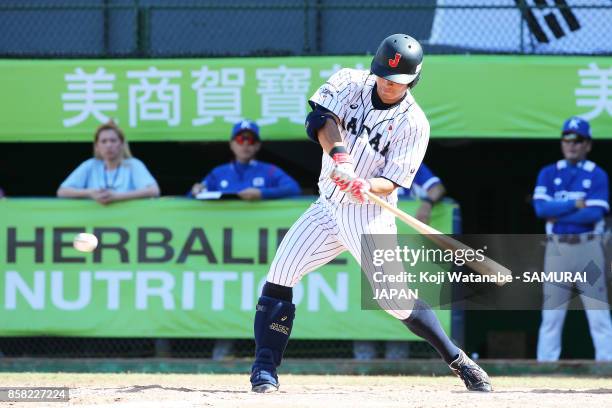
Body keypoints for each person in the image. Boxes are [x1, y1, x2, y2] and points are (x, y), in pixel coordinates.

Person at [249, 34, 491, 393]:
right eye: (383, 76)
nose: (388, 84)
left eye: (397, 81)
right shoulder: (349, 81)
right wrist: (342, 159)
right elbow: (318, 118)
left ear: (413, 79)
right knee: (279, 275)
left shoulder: (415, 123)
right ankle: (264, 370)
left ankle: (457, 358)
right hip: (327, 206)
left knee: (395, 302)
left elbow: (393, 180)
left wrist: (368, 184)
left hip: (368, 216)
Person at [533, 116, 612, 362]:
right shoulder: (549, 172)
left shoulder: (597, 174)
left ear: (587, 144)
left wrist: (560, 210)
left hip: (588, 246)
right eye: (566, 138)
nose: (571, 144)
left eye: (578, 140)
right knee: (551, 316)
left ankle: (607, 367)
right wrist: (574, 204)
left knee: (598, 316)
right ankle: (545, 369)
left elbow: (594, 213)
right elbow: (540, 210)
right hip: (557, 249)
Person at [354, 163, 447, 360]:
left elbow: (437, 188)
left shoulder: (408, 165)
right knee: (365, 298)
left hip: (405, 248)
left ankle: (397, 359)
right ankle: (363, 360)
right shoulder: (362, 165)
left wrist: (427, 202)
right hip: (368, 241)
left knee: (399, 299)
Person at [189, 120, 300, 201]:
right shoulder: (218, 172)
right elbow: (190, 197)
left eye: (251, 140)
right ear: (231, 144)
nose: (246, 144)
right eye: (240, 139)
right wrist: (195, 190)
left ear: (258, 145)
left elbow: (293, 188)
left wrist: (262, 193)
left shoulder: (270, 170)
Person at [57, 121, 160, 203]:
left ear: (122, 143)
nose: (108, 145)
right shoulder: (90, 165)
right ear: (97, 146)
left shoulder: (133, 164)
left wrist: (117, 196)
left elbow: (154, 191)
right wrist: (90, 193)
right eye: (104, 141)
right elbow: (62, 192)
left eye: (113, 140)